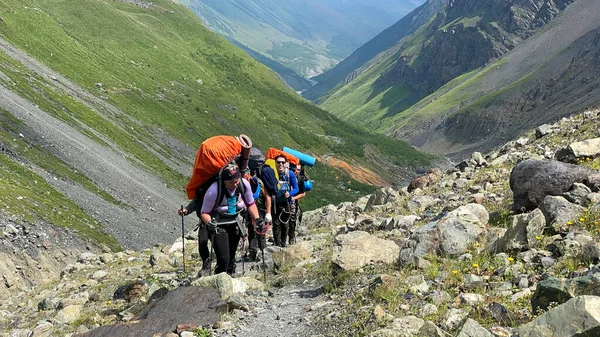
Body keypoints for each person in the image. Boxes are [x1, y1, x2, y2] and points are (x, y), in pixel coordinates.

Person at [187, 162, 262, 275]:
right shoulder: (213, 190)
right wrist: (209, 222)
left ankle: (230, 278)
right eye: (232, 182)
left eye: (237, 181)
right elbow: (204, 212)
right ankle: (218, 280)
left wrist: (257, 219)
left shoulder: (244, 184)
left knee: (231, 257)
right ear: (224, 181)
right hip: (219, 224)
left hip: (235, 222)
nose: (235, 184)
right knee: (223, 258)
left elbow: (251, 204)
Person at [244, 165, 272, 261]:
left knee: (261, 231)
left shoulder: (259, 183)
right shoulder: (242, 183)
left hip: (260, 210)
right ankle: (253, 253)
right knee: (251, 231)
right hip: (249, 211)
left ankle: (262, 252)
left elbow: (267, 197)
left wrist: (268, 212)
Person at [271, 155, 298, 247]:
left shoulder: (289, 174)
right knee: (276, 224)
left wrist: (290, 194)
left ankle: (283, 243)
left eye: (282, 162)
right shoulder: (272, 173)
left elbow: (296, 188)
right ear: (275, 163)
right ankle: (277, 244)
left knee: (285, 223)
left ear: (286, 163)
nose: (281, 164)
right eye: (278, 162)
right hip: (275, 203)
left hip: (287, 203)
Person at [288, 163, 306, 245]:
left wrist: (293, 198)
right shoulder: (287, 177)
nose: (296, 172)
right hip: (285, 201)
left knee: (292, 220)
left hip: (293, 202)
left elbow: (303, 193)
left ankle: (291, 237)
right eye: (295, 170)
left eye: (298, 170)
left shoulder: (300, 179)